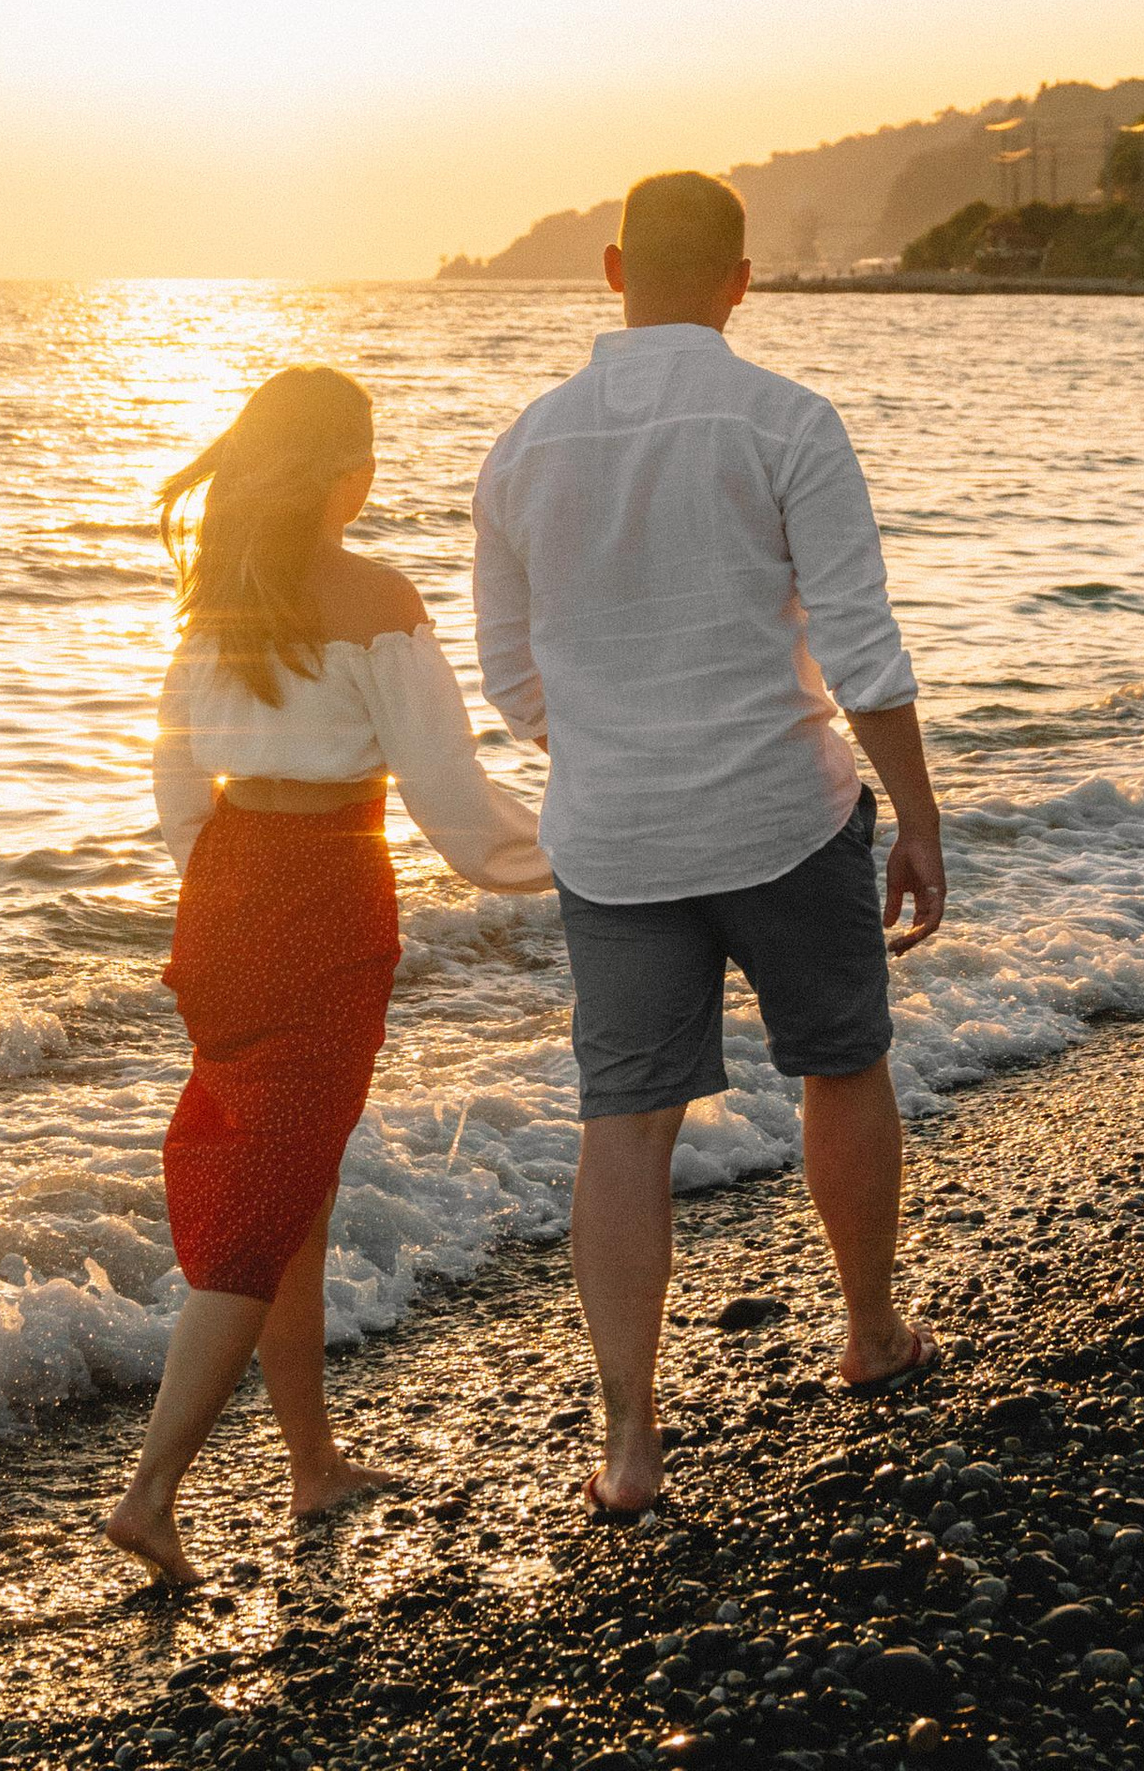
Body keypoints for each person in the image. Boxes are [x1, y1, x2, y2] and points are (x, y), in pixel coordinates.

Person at [473, 170, 946, 1517]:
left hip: (613, 835)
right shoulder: (786, 419)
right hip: (784, 811)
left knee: (624, 1120)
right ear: (742, 277)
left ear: (613, 265)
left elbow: (512, 674)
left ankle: (630, 1441)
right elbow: (861, 643)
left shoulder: (522, 447)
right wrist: (914, 812)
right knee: (843, 1061)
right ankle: (868, 1329)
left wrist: (620, 753)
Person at [107, 363, 553, 1586]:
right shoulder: (376, 597)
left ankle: (311, 1460)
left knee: (289, 1174)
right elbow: (453, 805)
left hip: (229, 889)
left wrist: (221, 882)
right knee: (269, 1195)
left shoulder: (218, 603)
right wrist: (576, 850)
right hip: (321, 891)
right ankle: (151, 1492)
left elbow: (172, 781)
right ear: (349, 471)